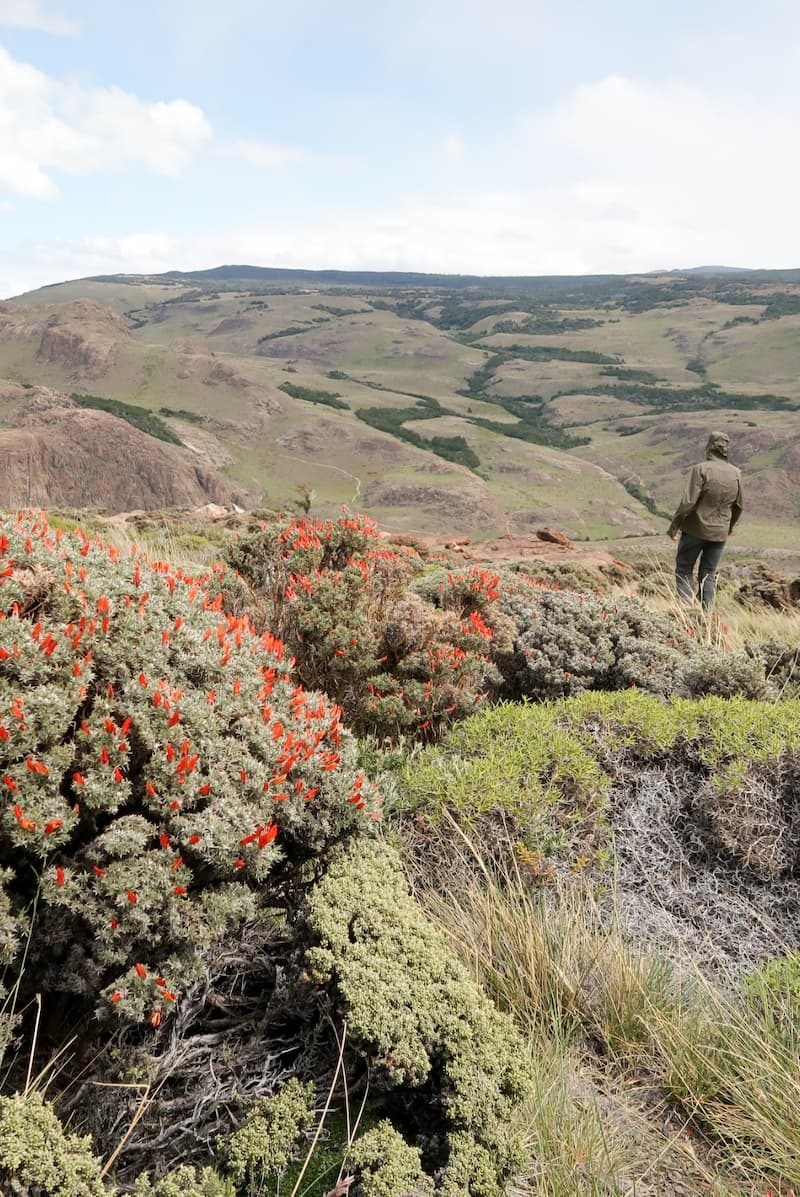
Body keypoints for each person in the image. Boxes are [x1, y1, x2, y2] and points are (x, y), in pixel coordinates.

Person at [668, 431, 743, 610]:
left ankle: (686, 614)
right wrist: (729, 528)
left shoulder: (701, 469)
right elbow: (738, 506)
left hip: (695, 529)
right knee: (708, 574)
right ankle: (706, 617)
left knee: (684, 570)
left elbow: (688, 502)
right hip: (720, 532)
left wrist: (674, 527)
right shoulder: (736, 473)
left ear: (709, 446)